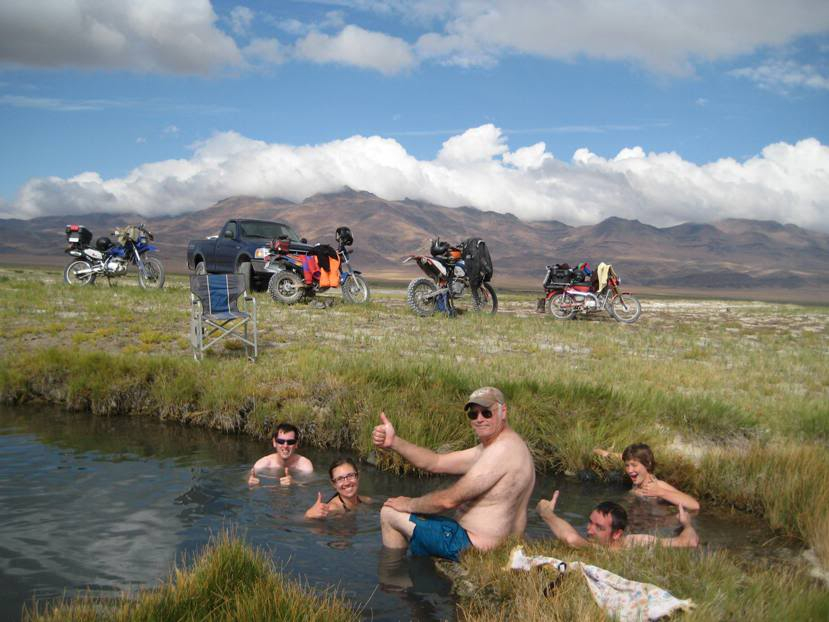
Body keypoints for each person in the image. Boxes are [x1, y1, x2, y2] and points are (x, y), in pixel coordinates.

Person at [373, 387, 536, 562]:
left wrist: (409, 504)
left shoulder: (502, 450)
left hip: (473, 548)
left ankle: (392, 576)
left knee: (389, 512)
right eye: (473, 414)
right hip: (496, 545)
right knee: (421, 521)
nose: (479, 419)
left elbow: (448, 500)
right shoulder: (503, 447)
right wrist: (394, 442)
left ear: (503, 411)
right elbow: (436, 462)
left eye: (486, 413)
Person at [536, 490, 699, 549]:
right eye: (590, 522)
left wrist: (546, 513)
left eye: (599, 527)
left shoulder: (633, 544)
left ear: (616, 534)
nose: (589, 530)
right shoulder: (635, 543)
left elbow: (570, 538)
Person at [594, 443, 700, 511]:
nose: (630, 470)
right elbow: (626, 457)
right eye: (627, 466)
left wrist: (660, 492)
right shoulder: (637, 481)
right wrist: (607, 454)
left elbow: (694, 505)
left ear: (647, 464)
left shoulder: (656, 485)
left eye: (634, 465)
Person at [248, 423, 314, 486]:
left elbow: (310, 485)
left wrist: (294, 483)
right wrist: (251, 482)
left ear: (296, 444)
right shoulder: (262, 464)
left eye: (290, 442)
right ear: (274, 442)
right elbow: (248, 477)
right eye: (281, 441)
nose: (285, 446)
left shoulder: (305, 466)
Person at [305, 458, 371, 519]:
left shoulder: (366, 500)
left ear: (358, 476)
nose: (347, 482)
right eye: (340, 479)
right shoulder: (331, 509)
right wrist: (309, 515)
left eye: (350, 475)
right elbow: (297, 521)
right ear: (333, 484)